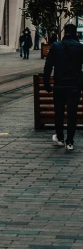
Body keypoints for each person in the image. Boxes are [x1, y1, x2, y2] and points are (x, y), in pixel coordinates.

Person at [44, 22, 83, 152]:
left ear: (64, 33)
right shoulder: (80, 47)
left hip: (59, 85)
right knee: (72, 114)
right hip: (74, 85)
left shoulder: (56, 46)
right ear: (75, 33)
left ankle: (60, 138)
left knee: (59, 113)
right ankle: (70, 142)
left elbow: (48, 66)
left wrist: (46, 83)